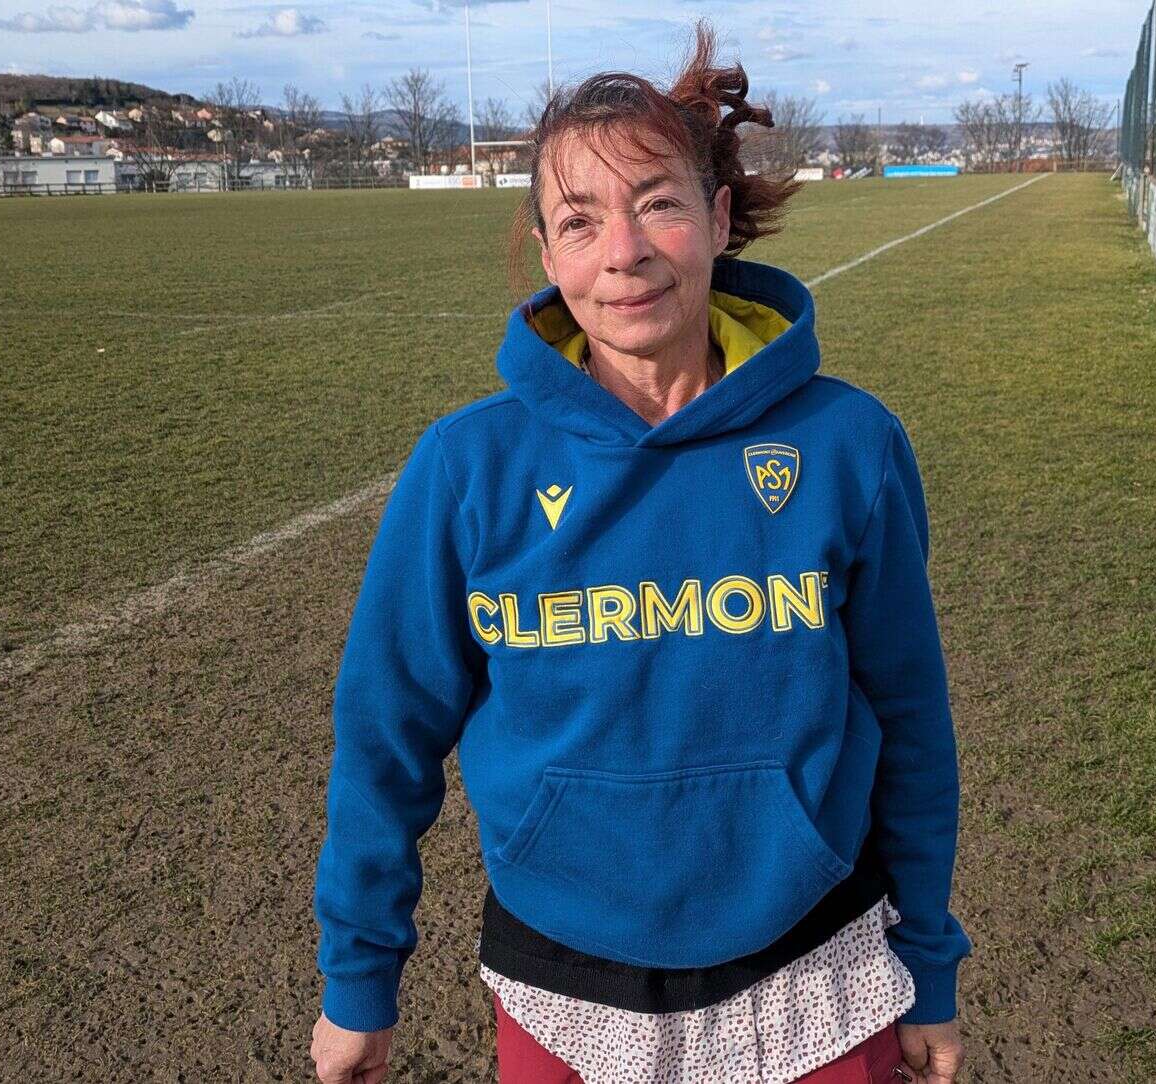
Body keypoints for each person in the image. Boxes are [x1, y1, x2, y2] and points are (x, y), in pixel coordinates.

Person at [309, 19, 971, 1084]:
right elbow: (384, 738)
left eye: (656, 203)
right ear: (544, 250)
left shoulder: (846, 444)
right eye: (579, 220)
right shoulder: (465, 467)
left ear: (714, 218)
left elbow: (908, 722)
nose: (621, 251)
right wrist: (358, 977)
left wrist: (927, 965)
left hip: (817, 967)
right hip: (561, 987)